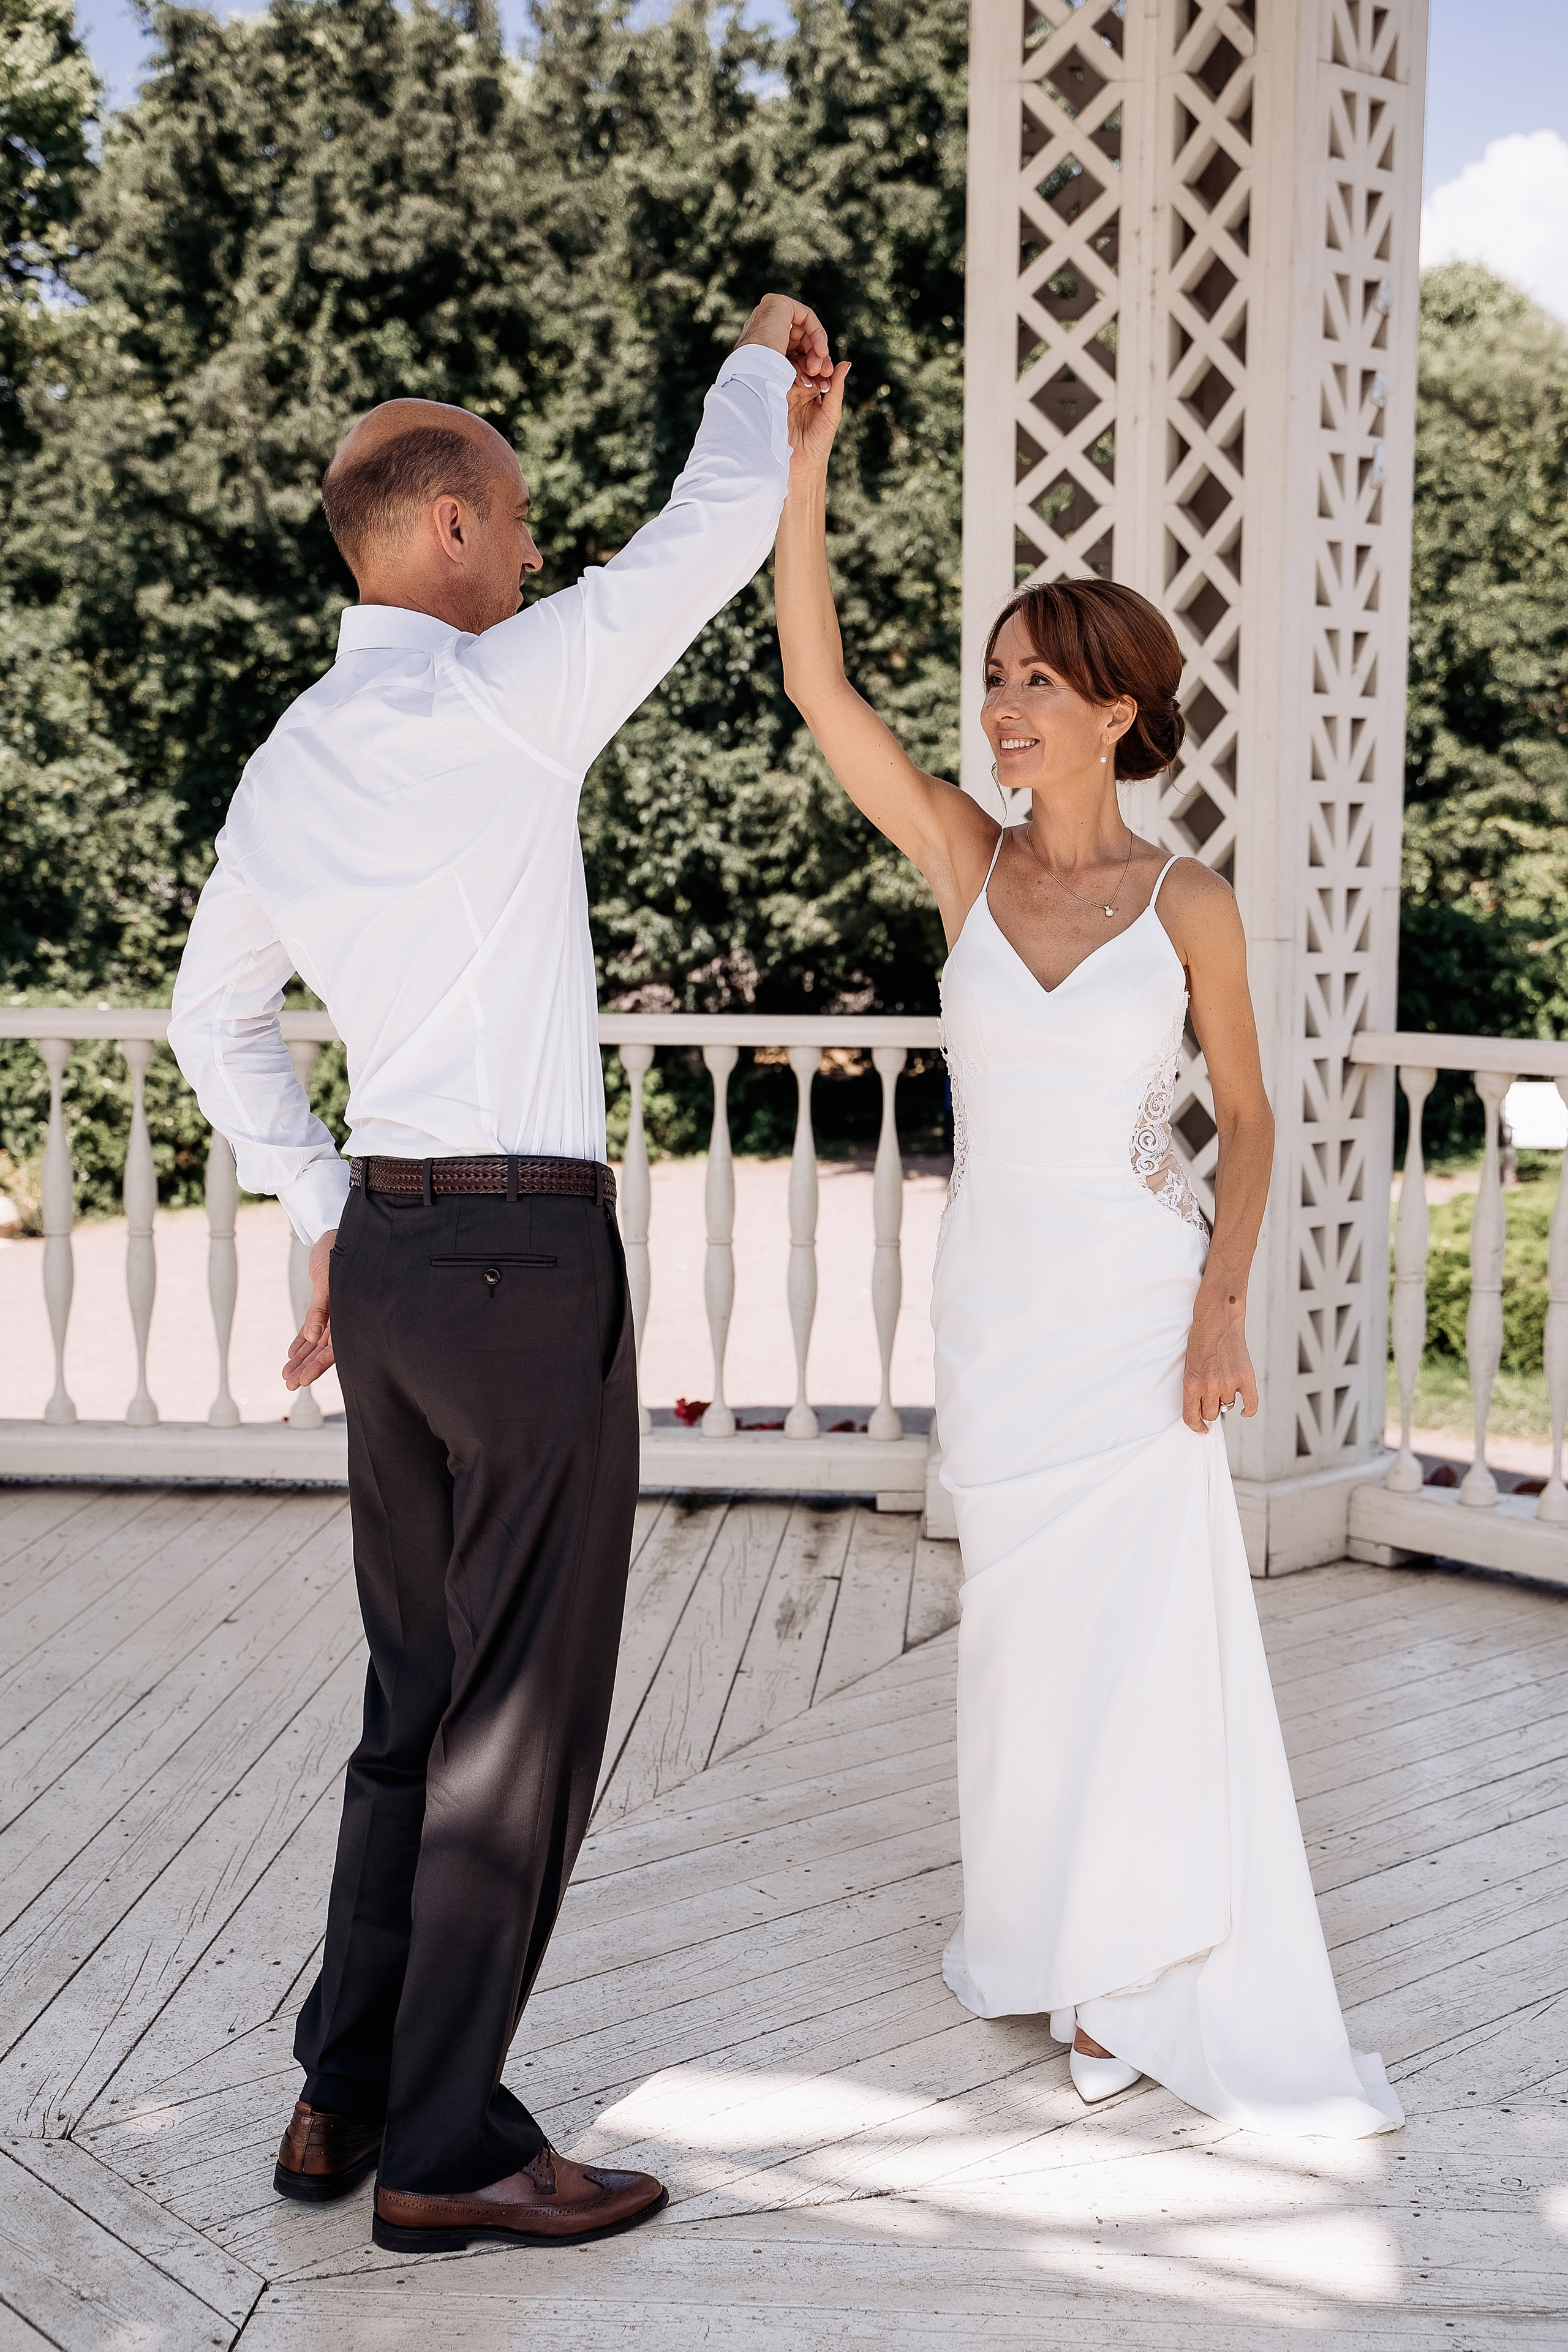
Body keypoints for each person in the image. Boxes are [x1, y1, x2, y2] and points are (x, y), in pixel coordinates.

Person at [167, 292, 832, 2252]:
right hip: (526, 1258)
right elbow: (708, 533)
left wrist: (317, 1209)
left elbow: (217, 1023)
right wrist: (757, 362)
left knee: (414, 1693)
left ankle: (343, 2094)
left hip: (385, 1253)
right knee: (514, 1723)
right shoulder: (498, 691)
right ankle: (450, 2150)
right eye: (522, 519)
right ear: (447, 527)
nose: (540, 548)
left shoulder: (289, 758)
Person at [772, 363, 1403, 2138]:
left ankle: (1141, 1967)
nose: (999, 708)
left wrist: (1221, 1317)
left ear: (1119, 708)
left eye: (1034, 680)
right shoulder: (963, 864)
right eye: (991, 678)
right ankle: (1043, 1935)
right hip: (1002, 1315)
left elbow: (1255, 1119)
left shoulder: (1189, 899)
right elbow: (820, 685)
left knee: (1140, 1640)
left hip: (1139, 1314)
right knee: (1020, 1643)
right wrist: (807, 469)